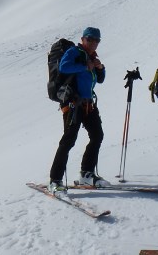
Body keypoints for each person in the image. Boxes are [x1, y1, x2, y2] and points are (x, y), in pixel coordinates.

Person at [48, 27, 109, 195]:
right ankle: (55, 180)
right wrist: (85, 66)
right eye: (90, 39)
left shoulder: (91, 57)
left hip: (88, 104)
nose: (93, 43)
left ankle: (87, 174)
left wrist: (99, 67)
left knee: (97, 135)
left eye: (97, 40)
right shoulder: (74, 52)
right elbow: (64, 67)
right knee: (68, 140)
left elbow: (101, 79)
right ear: (83, 39)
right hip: (73, 104)